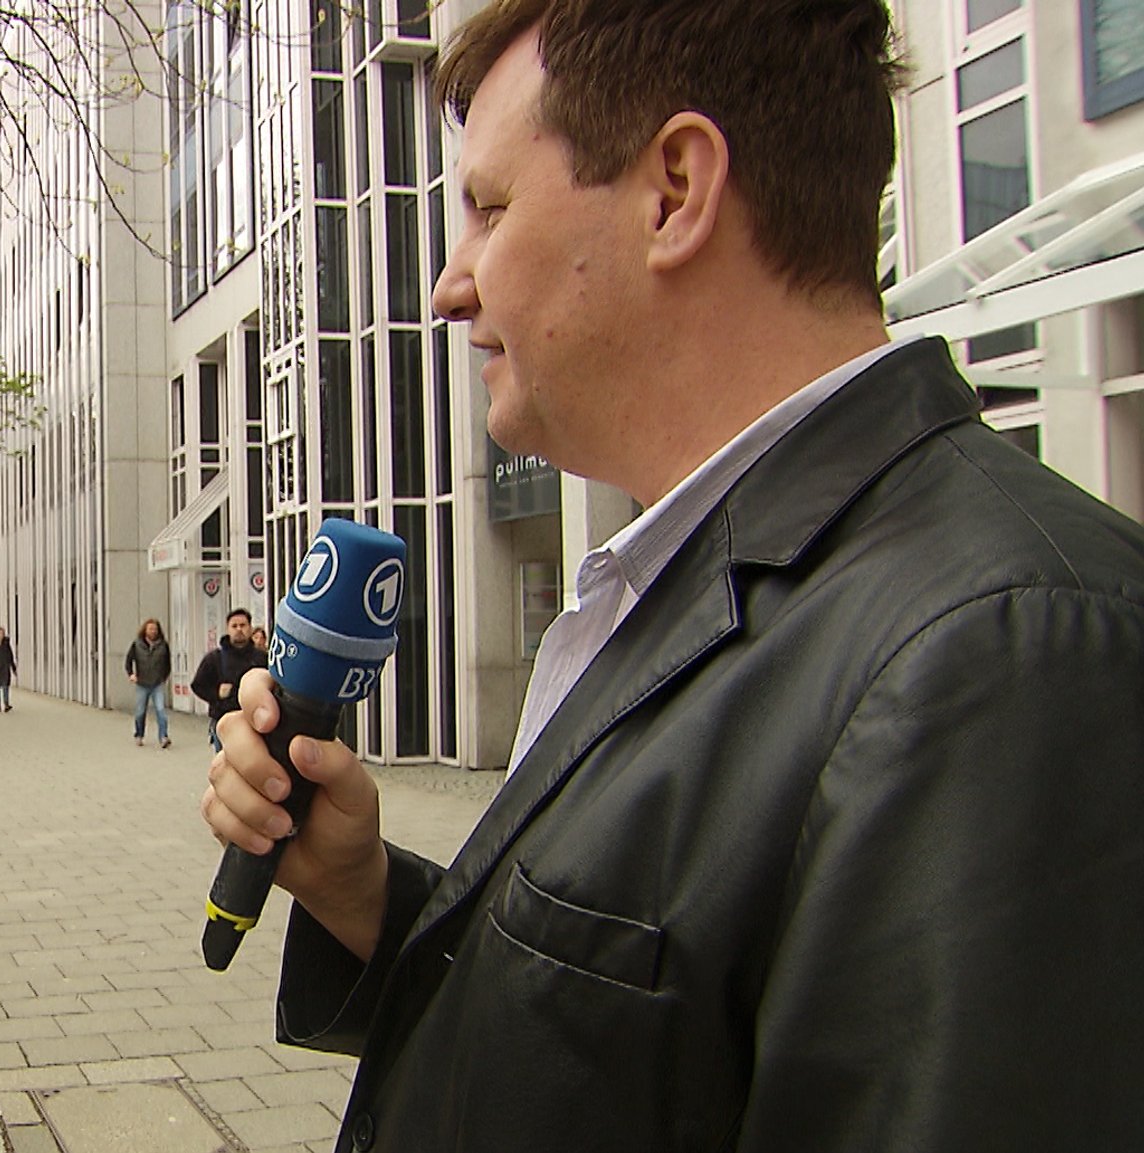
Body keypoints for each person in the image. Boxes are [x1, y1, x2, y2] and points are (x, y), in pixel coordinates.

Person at [202, 2, 1144, 1150]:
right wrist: (361, 893)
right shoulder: (679, 575)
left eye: (489, 210)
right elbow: (636, 1052)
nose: (449, 287)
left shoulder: (1005, 653)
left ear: (673, 192)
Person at [188, 608, 267, 751]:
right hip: (224, 721)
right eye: (234, 626)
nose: (239, 629)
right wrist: (216, 693)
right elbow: (197, 685)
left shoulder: (262, 658)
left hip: (254, 723)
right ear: (228, 629)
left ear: (250, 628)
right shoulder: (215, 658)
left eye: (243, 625)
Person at [124, 617, 173, 748]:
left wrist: (164, 677)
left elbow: (168, 663)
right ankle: (139, 735)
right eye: (150, 629)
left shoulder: (163, 645)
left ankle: (163, 737)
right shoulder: (137, 644)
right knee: (140, 711)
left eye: (155, 629)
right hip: (142, 683)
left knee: (161, 710)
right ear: (145, 630)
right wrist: (131, 674)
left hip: (157, 683)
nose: (153, 631)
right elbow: (128, 661)